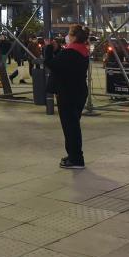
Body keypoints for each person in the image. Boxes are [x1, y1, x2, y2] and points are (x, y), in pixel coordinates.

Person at [44, 24, 90, 169]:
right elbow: (63, 63)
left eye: (69, 34)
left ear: (74, 37)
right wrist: (57, 50)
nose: (67, 37)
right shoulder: (82, 51)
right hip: (79, 91)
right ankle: (73, 155)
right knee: (73, 125)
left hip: (68, 93)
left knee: (70, 127)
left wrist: (48, 48)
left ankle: (76, 159)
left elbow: (51, 63)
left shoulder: (70, 52)